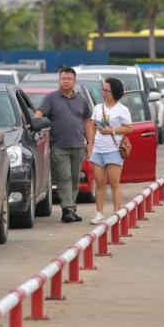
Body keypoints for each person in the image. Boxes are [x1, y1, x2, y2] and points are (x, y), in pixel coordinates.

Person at [35, 67, 94, 223]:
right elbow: (38, 116)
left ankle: (71, 209)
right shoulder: (50, 99)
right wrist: (37, 124)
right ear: (59, 80)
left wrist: (90, 143)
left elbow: (87, 122)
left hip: (78, 146)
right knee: (64, 177)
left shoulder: (81, 100)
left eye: (69, 78)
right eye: (63, 78)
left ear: (74, 81)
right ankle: (66, 209)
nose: (66, 81)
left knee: (75, 178)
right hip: (58, 146)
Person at [88, 78, 133, 225]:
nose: (104, 93)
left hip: (113, 149)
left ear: (115, 92)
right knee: (99, 182)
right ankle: (99, 213)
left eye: (107, 90)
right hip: (98, 150)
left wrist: (112, 131)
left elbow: (129, 128)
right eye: (103, 90)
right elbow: (92, 126)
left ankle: (117, 214)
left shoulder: (122, 109)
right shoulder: (97, 108)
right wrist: (90, 145)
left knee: (114, 182)